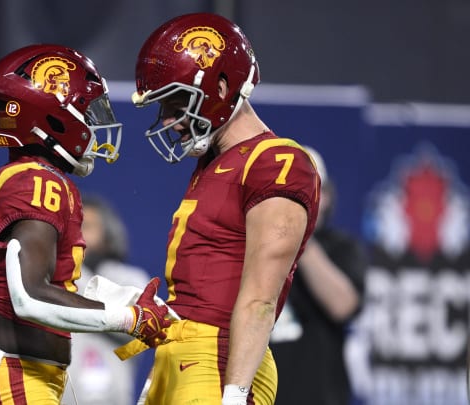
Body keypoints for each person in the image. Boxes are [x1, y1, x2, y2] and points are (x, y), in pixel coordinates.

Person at [0, 44, 172, 405]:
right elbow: (29, 295)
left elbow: (40, 286)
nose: (91, 124)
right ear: (54, 117)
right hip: (14, 379)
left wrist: (120, 299)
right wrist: (127, 319)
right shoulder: (37, 182)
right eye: (86, 112)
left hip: (23, 376)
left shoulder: (20, 179)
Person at [129, 13, 321, 405]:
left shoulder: (277, 161)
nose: (169, 120)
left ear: (220, 85)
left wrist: (234, 396)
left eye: (175, 101)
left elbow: (260, 300)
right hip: (181, 358)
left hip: (218, 360)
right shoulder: (215, 161)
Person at [269, 147, 367, 405]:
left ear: (328, 197)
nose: (299, 199)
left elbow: (343, 305)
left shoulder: (341, 248)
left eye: (309, 189)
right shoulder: (252, 246)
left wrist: (301, 238)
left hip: (318, 395)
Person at [62, 195, 151, 405]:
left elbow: (136, 326)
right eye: (73, 227)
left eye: (87, 226)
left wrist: (68, 284)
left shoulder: (132, 278)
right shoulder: (56, 276)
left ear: (108, 235)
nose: (78, 234)